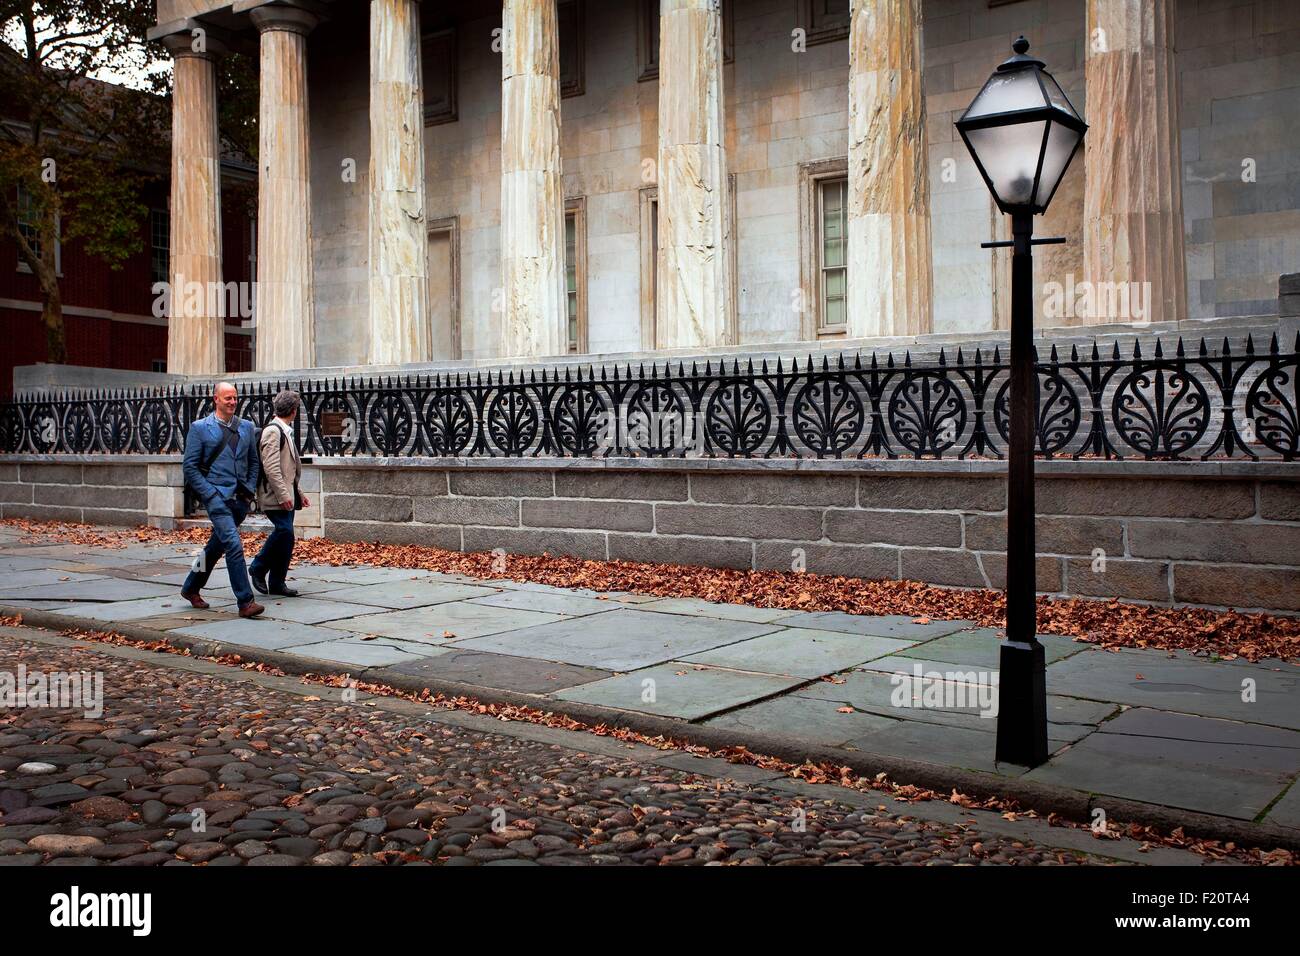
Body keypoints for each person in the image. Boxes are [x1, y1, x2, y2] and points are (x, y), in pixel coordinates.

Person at [179, 381, 264, 618]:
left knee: (214, 548)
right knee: (234, 545)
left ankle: (191, 587)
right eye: (228, 398)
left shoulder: (246, 427)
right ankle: (245, 602)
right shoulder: (199, 428)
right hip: (216, 498)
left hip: (240, 499)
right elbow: (190, 468)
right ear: (215, 399)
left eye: (235, 398)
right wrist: (210, 494)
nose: (233, 402)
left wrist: (248, 489)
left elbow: (253, 462)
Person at [249, 389, 310, 597]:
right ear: (293, 411)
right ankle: (258, 566)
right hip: (274, 496)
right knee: (284, 531)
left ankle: (277, 582)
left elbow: (287, 470)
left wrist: (298, 492)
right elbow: (272, 468)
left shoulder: (285, 431)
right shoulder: (273, 432)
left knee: (287, 537)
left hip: (287, 493)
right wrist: (285, 496)